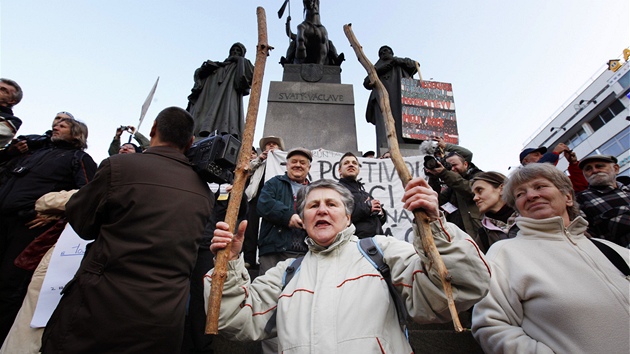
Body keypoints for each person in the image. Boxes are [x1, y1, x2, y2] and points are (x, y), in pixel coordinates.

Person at [205, 178, 491, 353]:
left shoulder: (382, 252)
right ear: (302, 221)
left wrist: (434, 229)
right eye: (313, 205)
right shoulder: (286, 273)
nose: (322, 209)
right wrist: (227, 267)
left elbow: (458, 287)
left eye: (332, 203)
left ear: (348, 217)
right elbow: (232, 319)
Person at [40, 107, 214, 353]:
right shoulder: (203, 192)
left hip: (99, 308)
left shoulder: (119, 166)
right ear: (191, 142)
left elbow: (82, 222)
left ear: (153, 129)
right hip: (163, 317)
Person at [471, 163, 630, 354]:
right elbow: (490, 326)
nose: (531, 195)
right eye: (520, 194)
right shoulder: (504, 253)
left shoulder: (612, 250)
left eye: (540, 186)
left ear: (568, 197)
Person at [0, 118, 96, 345]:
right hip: (3, 220)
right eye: (55, 124)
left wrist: (58, 213)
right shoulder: (30, 153)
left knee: (8, 287)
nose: (56, 127)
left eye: (63, 126)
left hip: (29, 229)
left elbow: (87, 195)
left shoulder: (79, 158)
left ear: (77, 134)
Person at [187, 43, 254, 140]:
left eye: (238, 51)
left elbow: (247, 78)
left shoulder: (241, 64)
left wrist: (240, 60)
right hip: (208, 95)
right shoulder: (218, 66)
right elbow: (199, 76)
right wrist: (203, 70)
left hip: (227, 96)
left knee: (225, 115)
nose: (235, 52)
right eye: (233, 50)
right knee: (201, 114)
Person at [364, 46, 417, 153]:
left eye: (386, 51)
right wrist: (378, 71)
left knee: (403, 120)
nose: (384, 53)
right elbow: (366, 82)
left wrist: (394, 61)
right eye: (381, 52)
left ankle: (407, 142)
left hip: (400, 95)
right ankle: (388, 145)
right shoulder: (375, 68)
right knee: (385, 124)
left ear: (391, 52)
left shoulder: (400, 62)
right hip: (382, 98)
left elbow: (415, 65)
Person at [243, 136, 285, 269]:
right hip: (256, 198)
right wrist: (260, 159)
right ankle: (249, 258)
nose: (271, 146)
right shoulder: (259, 162)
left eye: (274, 144)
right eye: (268, 144)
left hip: (273, 200)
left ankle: (264, 258)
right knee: (251, 229)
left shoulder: (283, 162)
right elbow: (245, 170)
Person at [425, 151, 482, 238]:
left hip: (477, 235)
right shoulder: (452, 188)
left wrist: (444, 173)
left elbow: (471, 190)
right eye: (449, 166)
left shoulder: (478, 176)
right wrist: (433, 177)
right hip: (457, 237)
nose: (452, 169)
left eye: (455, 165)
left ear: (465, 164)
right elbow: (435, 201)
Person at [576, 155, 629, 247]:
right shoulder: (581, 200)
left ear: (615, 169)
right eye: (588, 169)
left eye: (599, 166)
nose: (594, 171)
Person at [337, 152, 386, 238]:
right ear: (340, 170)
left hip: (377, 242)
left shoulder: (365, 194)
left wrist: (381, 213)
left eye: (354, 163)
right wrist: (367, 207)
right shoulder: (336, 191)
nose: (351, 165)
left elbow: (374, 220)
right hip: (355, 245)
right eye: (346, 163)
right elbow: (339, 218)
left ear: (358, 170)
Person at [470, 172, 518, 253]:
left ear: (502, 189)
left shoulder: (530, 217)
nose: (475, 198)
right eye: (474, 194)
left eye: (479, 190)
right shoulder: (483, 235)